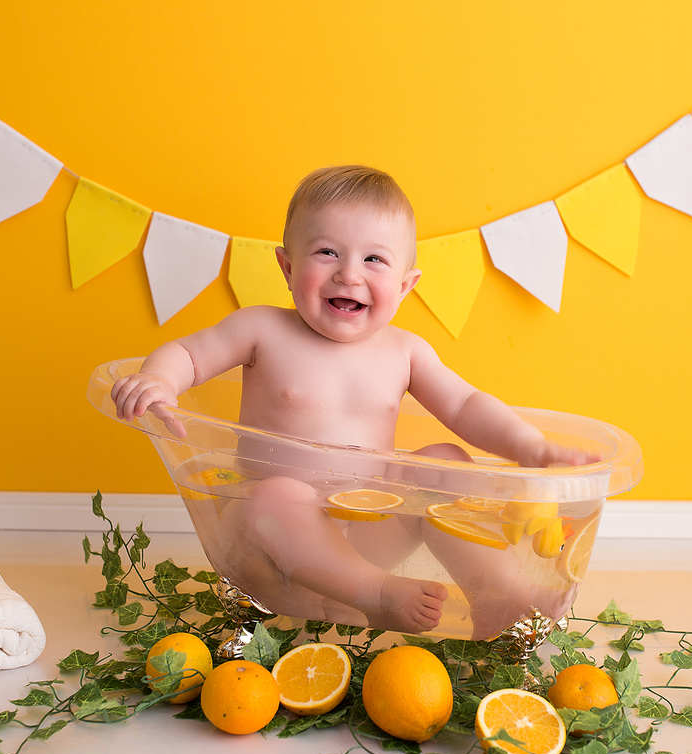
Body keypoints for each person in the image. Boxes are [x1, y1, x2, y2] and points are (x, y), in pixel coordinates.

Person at [112, 165, 594, 635]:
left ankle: (499, 595)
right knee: (281, 494)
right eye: (326, 252)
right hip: (268, 540)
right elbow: (189, 355)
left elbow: (466, 405)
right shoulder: (262, 329)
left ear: (405, 285)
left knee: (445, 461)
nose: (348, 275)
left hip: (363, 532)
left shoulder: (405, 351)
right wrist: (158, 379)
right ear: (287, 266)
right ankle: (378, 596)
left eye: (374, 260)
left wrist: (532, 448)